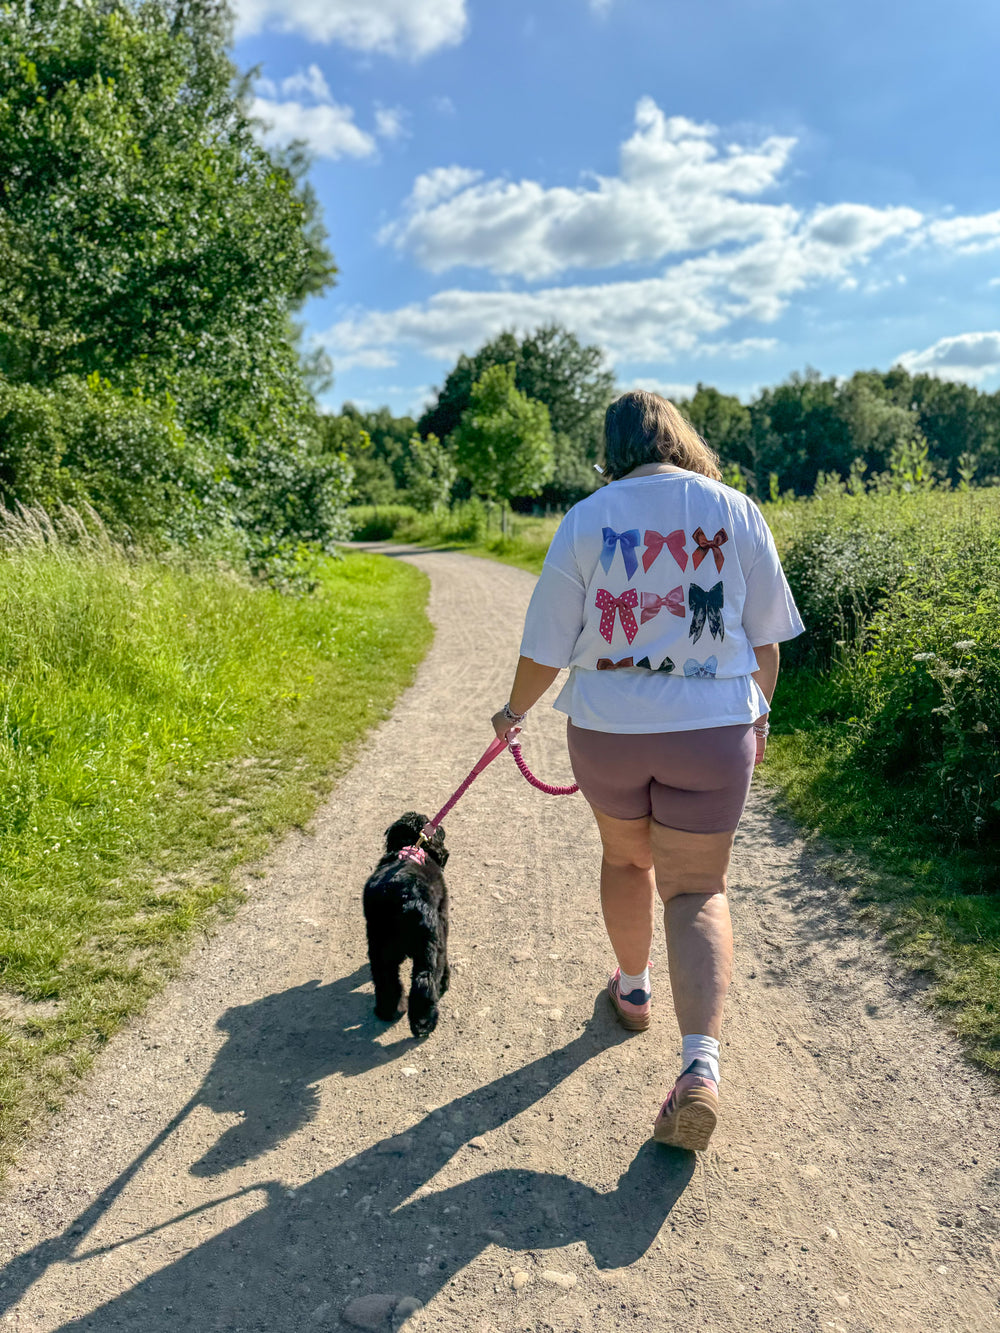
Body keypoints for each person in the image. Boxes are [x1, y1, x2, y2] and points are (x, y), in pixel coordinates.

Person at [491, 390, 804, 1151]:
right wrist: (757, 713)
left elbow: (546, 647)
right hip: (712, 728)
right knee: (697, 888)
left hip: (608, 729)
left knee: (625, 858)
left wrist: (514, 713)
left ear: (613, 447)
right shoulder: (736, 511)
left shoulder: (588, 518)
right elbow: (767, 642)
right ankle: (700, 1067)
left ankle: (632, 990)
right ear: (678, 438)